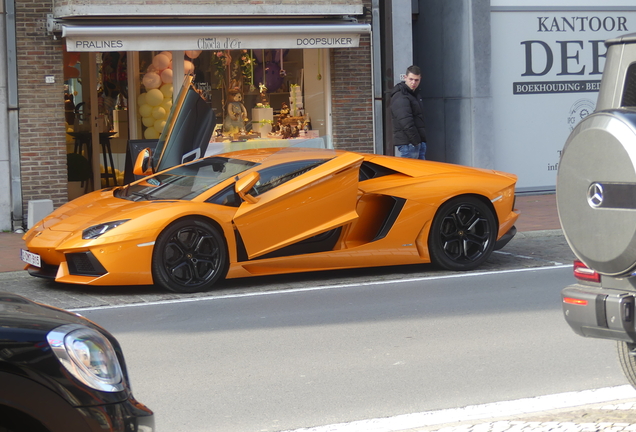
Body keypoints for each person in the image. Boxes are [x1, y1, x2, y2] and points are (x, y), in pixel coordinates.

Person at [390, 65, 427, 159]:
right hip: (409, 143)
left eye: (416, 80)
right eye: (411, 79)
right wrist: (416, 142)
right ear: (405, 77)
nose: (413, 82)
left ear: (420, 79)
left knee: (420, 172)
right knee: (413, 172)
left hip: (415, 142)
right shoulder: (401, 95)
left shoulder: (414, 94)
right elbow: (406, 122)